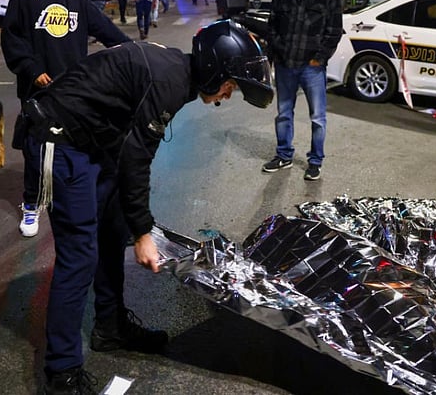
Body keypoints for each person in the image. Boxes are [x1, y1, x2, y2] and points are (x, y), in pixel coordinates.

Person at [22, 20, 273, 394]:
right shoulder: (169, 83)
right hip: (60, 140)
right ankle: (62, 373)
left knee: (112, 230)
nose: (226, 96)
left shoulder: (177, 74)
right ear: (215, 70)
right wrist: (143, 233)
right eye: (230, 86)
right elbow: (136, 160)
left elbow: (129, 154)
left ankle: (110, 328)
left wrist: (133, 224)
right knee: (79, 257)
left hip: (93, 141)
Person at [1, 0, 130, 238]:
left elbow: (106, 30)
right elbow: (12, 39)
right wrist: (33, 71)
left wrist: (135, 51)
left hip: (75, 92)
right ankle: (31, 204)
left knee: (77, 148)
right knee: (38, 154)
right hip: (39, 93)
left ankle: (75, 200)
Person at [262, 0, 343, 181]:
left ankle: (315, 161)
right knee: (283, 113)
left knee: (318, 117)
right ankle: (284, 155)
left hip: (312, 67)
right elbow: (273, 24)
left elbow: (334, 29)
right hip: (286, 63)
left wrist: (319, 59)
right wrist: (276, 51)